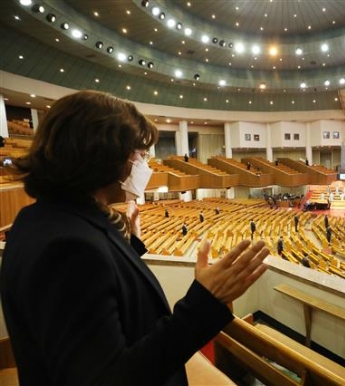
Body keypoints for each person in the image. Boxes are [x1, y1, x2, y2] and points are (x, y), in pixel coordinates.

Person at [0, 90, 269, 385]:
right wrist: (205, 302)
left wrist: (128, 246)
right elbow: (110, 378)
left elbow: (100, 296)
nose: (144, 166)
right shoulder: (68, 248)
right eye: (140, 155)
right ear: (105, 156)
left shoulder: (42, 220)